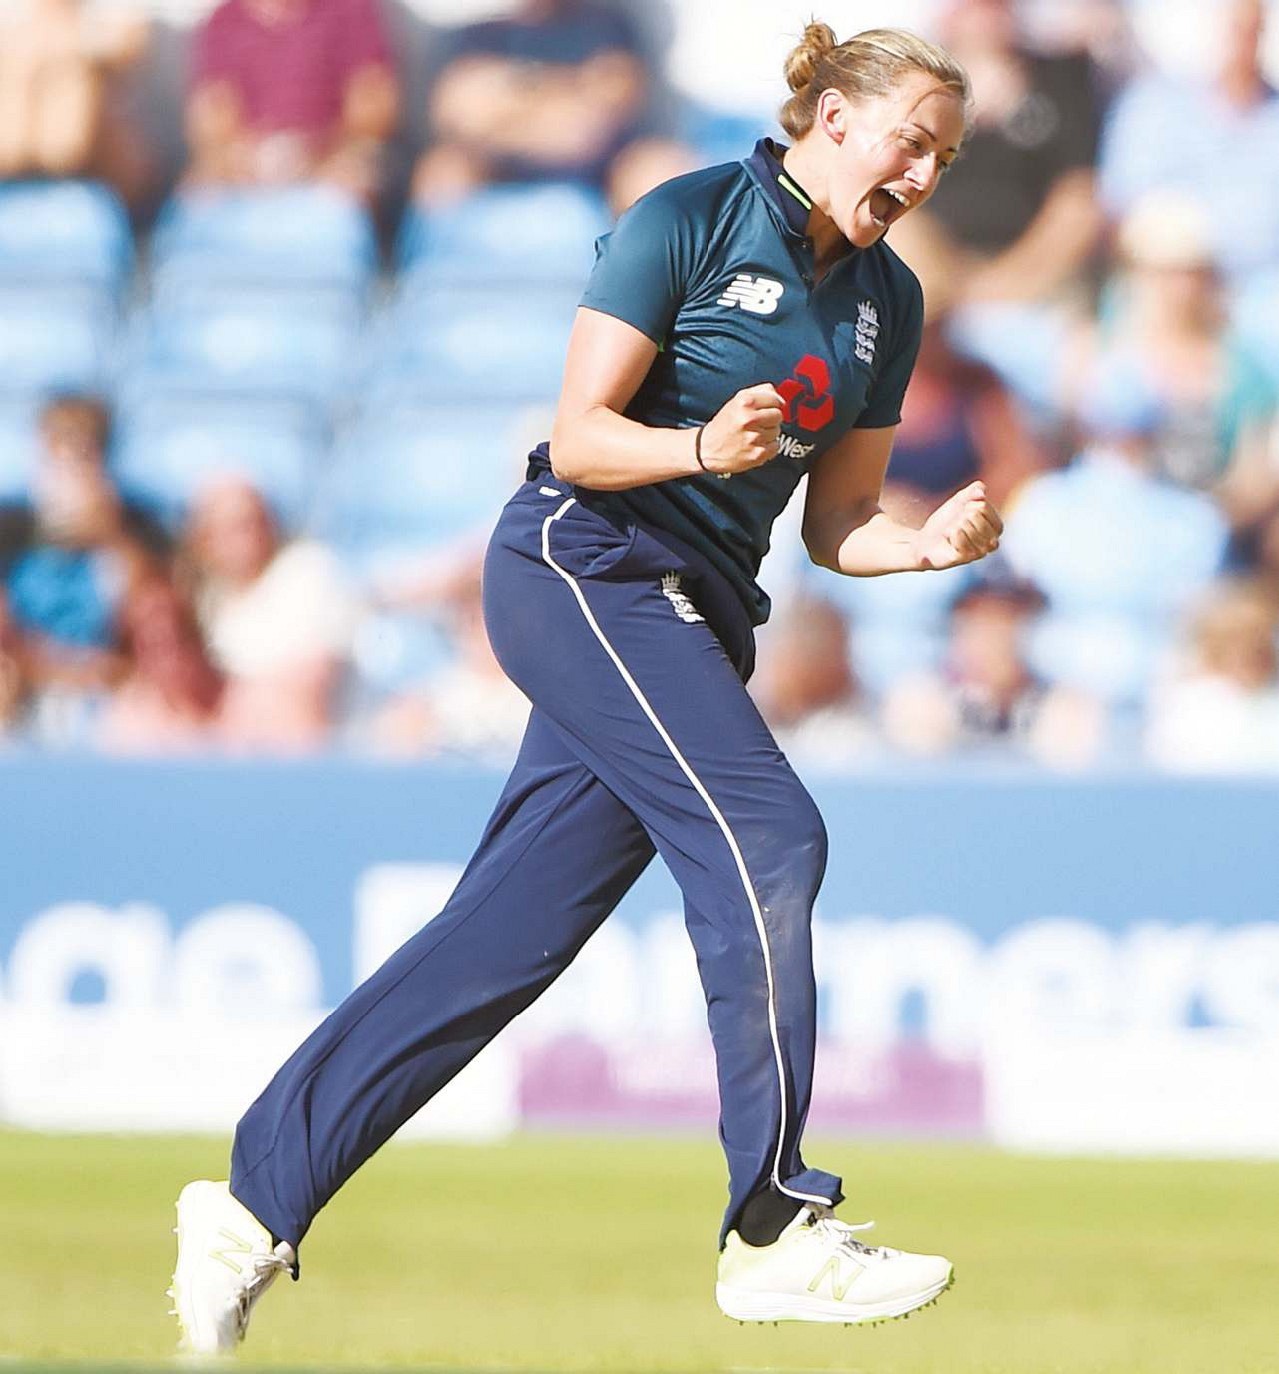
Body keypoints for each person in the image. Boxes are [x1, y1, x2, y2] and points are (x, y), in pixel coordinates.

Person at [170, 22, 1001, 1351]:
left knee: (505, 937)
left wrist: (921, 546)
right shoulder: (688, 217)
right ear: (834, 118)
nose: (921, 174)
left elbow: (838, 521)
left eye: (943, 159)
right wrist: (697, 445)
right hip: (584, 560)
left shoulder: (885, 303)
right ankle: (772, 1228)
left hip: (694, 615)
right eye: (909, 141)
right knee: (771, 836)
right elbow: (578, 438)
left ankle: (249, 1202)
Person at [185, 0, 399, 206]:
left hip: (330, 169)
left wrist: (314, 153)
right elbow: (211, 119)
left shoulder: (350, 8)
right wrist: (251, 159)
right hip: (246, 174)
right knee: (197, 200)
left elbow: (374, 108)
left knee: (348, 188)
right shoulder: (224, 19)